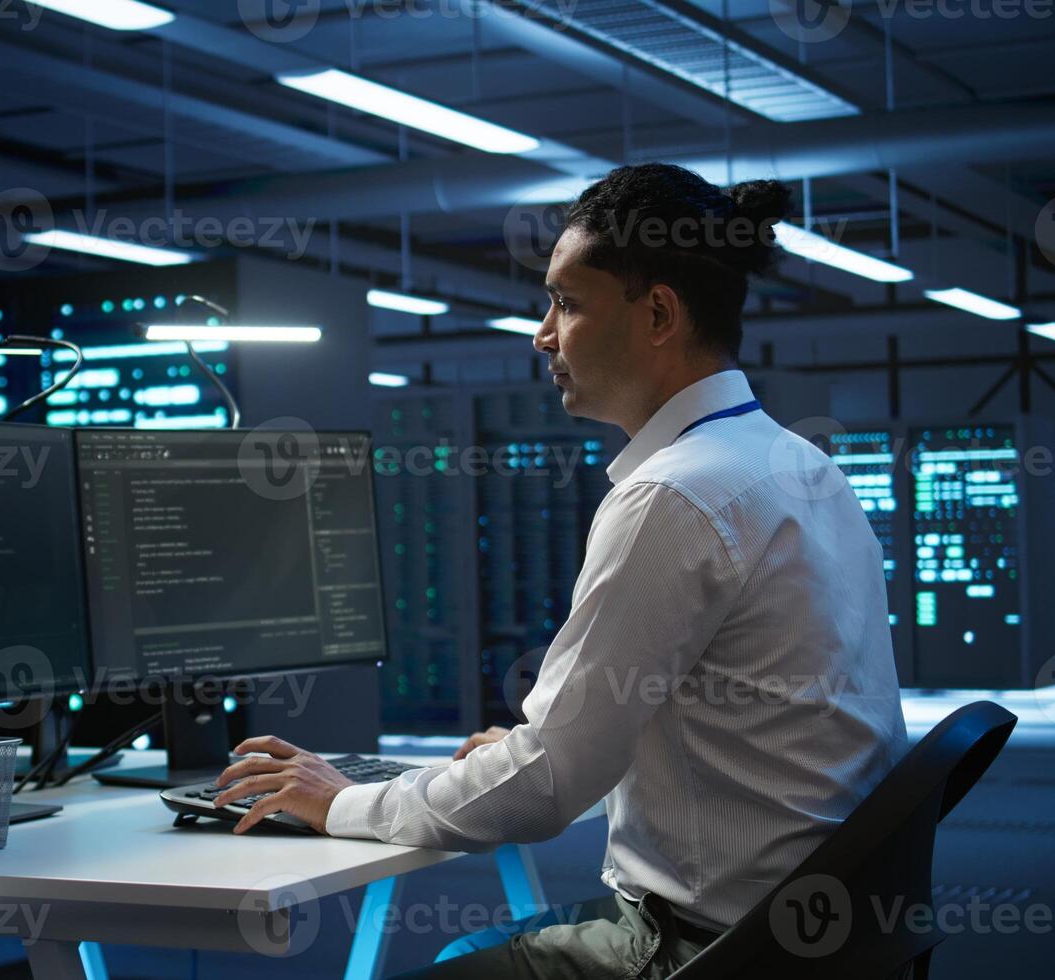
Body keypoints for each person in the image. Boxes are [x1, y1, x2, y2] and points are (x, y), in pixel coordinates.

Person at [214, 164, 908, 977]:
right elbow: (754, 713)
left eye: (567, 302)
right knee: (469, 947)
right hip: (826, 927)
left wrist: (343, 803)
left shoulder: (673, 495)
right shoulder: (796, 465)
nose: (542, 333)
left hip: (712, 946)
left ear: (657, 314)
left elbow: (546, 789)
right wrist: (546, 742)